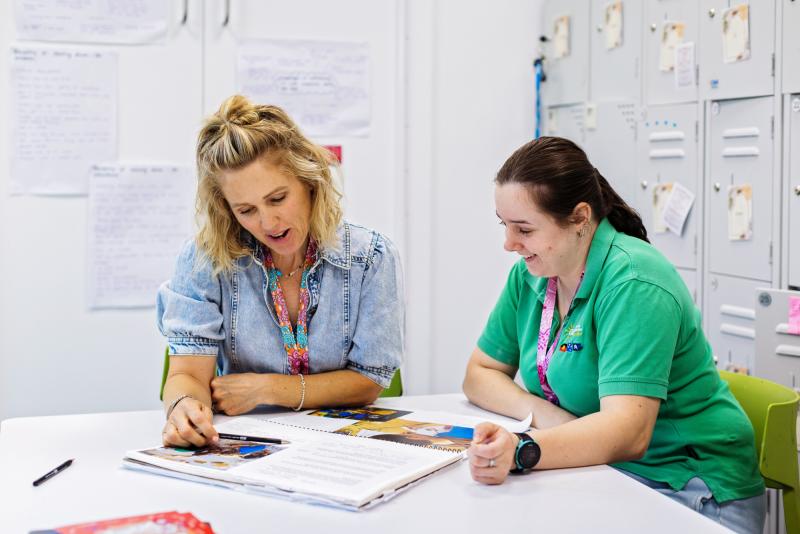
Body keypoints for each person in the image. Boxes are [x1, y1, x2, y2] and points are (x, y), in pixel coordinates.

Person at [462, 137, 765, 533]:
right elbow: (479, 374)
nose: (509, 244)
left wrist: (524, 449)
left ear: (580, 218)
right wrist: (548, 417)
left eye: (525, 229)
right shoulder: (533, 275)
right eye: (505, 225)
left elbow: (628, 433)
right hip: (604, 470)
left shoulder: (634, 282)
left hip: (687, 487)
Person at [157, 95, 404, 449]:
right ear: (227, 210)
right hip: (249, 443)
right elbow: (187, 375)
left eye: (277, 199)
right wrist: (183, 409)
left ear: (308, 181)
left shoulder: (371, 257)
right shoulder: (204, 260)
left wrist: (268, 388)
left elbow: (370, 381)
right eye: (246, 210)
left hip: (343, 446)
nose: (268, 223)